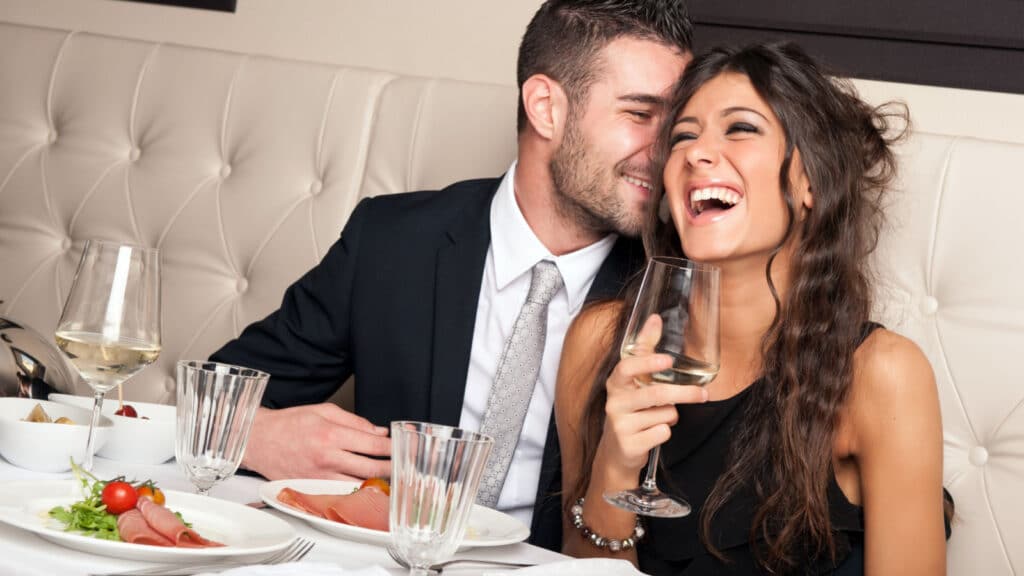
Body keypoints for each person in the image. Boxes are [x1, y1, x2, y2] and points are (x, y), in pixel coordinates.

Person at [210, 0, 693, 551]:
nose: (665, 152)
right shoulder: (391, 242)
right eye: (639, 114)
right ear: (545, 107)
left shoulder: (674, 288)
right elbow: (214, 392)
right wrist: (255, 435)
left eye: (674, 122)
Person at [556, 42, 950, 573]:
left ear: (810, 180)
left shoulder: (880, 374)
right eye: (683, 136)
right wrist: (616, 462)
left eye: (740, 129)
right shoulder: (600, 342)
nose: (696, 152)